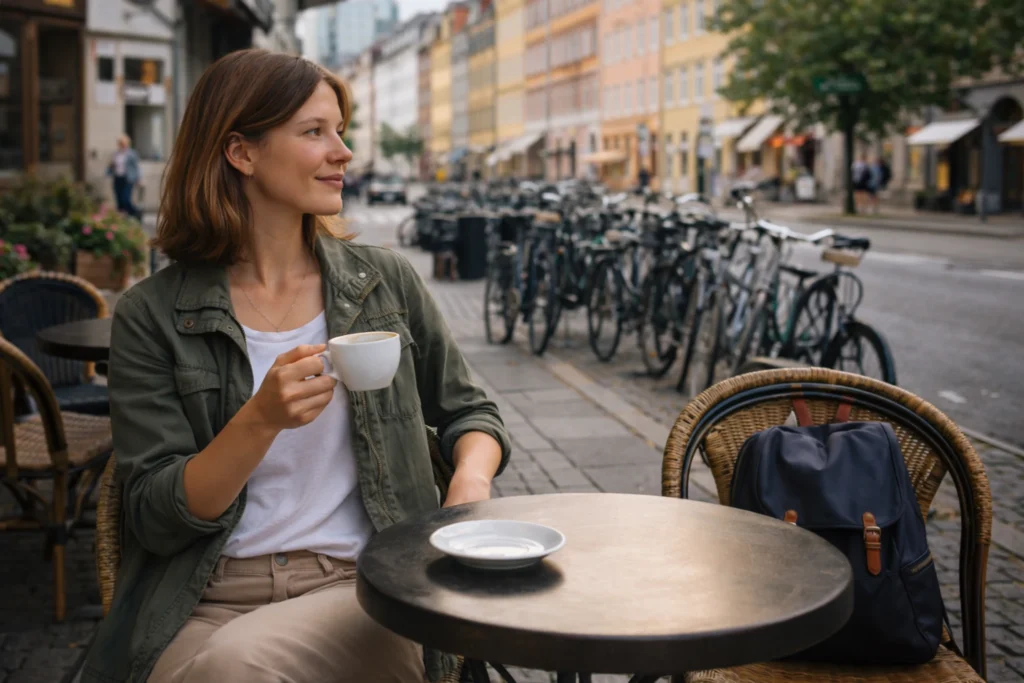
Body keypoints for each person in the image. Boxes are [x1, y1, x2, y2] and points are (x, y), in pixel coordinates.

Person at [81, 49, 511, 683]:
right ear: (241, 152)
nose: (343, 152)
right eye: (314, 132)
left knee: (232, 671)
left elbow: (470, 413)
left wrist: (470, 486)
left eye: (340, 131)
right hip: (200, 597)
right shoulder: (151, 314)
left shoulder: (382, 282)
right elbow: (152, 513)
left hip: (360, 587)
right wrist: (259, 421)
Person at [108, 135, 142, 220]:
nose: (122, 145)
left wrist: (139, 178)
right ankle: (123, 219)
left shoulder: (132, 154)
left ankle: (135, 213)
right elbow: (111, 166)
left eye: (123, 143)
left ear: (127, 144)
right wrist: (109, 169)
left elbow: (136, 167)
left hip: (128, 179)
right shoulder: (116, 154)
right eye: (120, 143)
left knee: (125, 199)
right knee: (119, 200)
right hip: (117, 178)